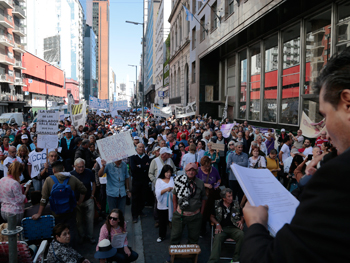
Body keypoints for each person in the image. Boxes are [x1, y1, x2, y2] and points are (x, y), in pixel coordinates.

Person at [241, 48, 350, 262]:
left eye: (325, 115)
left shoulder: (337, 178)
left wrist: (255, 226)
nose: (324, 131)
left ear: (347, 102)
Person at [32, 161, 87, 248]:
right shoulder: (72, 178)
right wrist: (79, 202)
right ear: (63, 168)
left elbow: (44, 199)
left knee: (59, 231)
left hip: (56, 212)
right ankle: (72, 249)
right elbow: (84, 190)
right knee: (71, 229)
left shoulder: (49, 180)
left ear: (53, 170)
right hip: (70, 211)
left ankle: (61, 249)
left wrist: (39, 213)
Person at [170, 163, 207, 247]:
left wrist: (201, 213)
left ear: (196, 172)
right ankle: (172, 254)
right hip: (180, 214)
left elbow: (204, 198)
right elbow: (174, 195)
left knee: (194, 237)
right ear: (186, 171)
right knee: (175, 235)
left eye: (193, 170)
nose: (191, 172)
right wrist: (175, 209)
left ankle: (192, 255)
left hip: (195, 215)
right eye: (189, 170)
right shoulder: (179, 180)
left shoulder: (200, 183)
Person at [208, 188, 244, 263]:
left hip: (233, 228)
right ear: (224, 198)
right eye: (229, 196)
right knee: (217, 237)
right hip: (222, 228)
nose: (231, 198)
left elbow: (242, 216)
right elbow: (211, 216)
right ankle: (213, 261)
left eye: (232, 196)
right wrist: (217, 224)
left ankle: (236, 259)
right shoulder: (217, 204)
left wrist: (241, 221)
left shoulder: (236, 204)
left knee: (241, 234)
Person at [71, 158, 96, 244]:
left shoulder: (88, 172)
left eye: (82, 167)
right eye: (79, 167)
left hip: (88, 199)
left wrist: (92, 195)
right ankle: (82, 235)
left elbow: (94, 183)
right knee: (79, 220)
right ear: (75, 167)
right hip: (77, 202)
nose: (81, 169)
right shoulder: (71, 175)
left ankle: (90, 236)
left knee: (90, 219)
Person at [196, 156, 221, 236]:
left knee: (212, 212)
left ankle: (213, 229)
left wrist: (217, 184)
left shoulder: (214, 169)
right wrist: (205, 185)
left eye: (208, 166)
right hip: (202, 196)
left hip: (213, 195)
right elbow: (195, 182)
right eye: (205, 166)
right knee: (203, 213)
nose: (207, 168)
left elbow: (219, 179)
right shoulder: (198, 171)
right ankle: (202, 230)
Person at [129, 143, 150, 223]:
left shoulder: (146, 157)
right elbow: (134, 168)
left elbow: (148, 167)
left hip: (144, 180)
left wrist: (140, 166)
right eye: (140, 147)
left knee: (143, 197)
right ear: (136, 149)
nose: (141, 148)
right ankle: (134, 215)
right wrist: (143, 166)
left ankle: (140, 211)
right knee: (135, 198)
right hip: (136, 180)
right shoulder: (133, 157)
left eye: (142, 147)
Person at [155, 165, 175, 243]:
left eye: (170, 172)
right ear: (163, 172)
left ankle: (174, 236)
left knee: (173, 220)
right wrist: (167, 189)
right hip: (162, 204)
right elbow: (158, 192)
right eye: (167, 172)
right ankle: (161, 235)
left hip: (172, 203)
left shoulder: (173, 179)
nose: (168, 174)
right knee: (162, 221)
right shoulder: (159, 180)